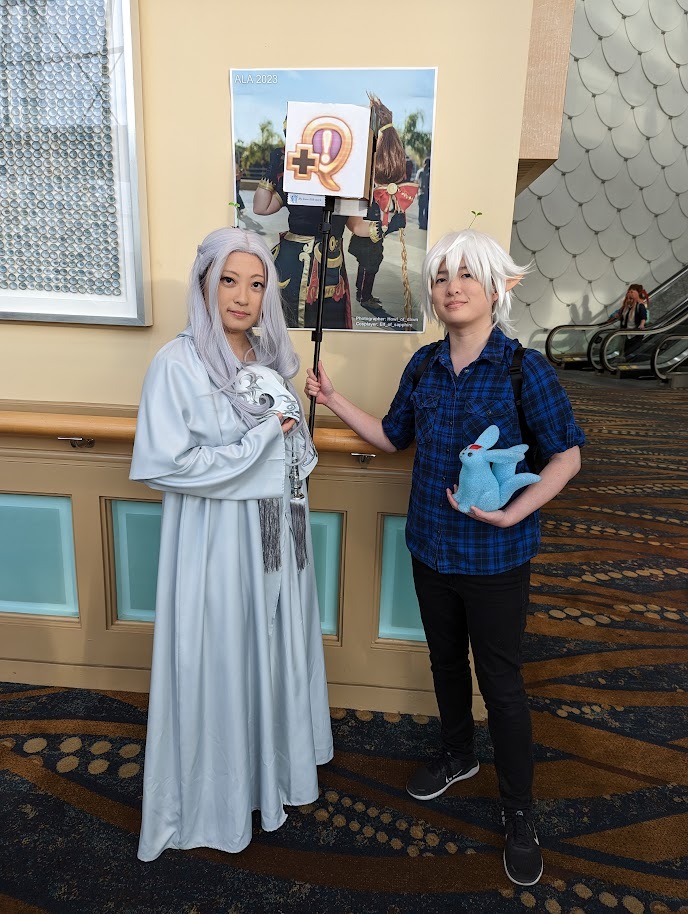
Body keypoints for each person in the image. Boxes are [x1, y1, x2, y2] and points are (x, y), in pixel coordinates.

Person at [305, 228, 585, 887]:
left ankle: (520, 813)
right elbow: (391, 437)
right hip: (431, 547)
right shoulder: (425, 366)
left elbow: (567, 455)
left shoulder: (523, 368)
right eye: (440, 277)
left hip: (497, 559)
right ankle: (458, 753)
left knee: (503, 685)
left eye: (465, 275)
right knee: (445, 661)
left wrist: (515, 512)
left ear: (494, 288)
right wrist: (332, 398)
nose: (452, 287)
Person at [131, 227, 333, 861]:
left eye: (257, 284)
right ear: (204, 284)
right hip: (215, 541)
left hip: (276, 533)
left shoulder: (269, 363)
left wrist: (290, 440)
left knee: (270, 643)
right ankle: (216, 796)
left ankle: (270, 774)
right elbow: (169, 463)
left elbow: (293, 456)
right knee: (221, 653)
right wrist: (263, 441)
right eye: (229, 280)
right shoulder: (177, 363)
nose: (243, 297)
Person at [253, 147, 371, 330]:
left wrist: (384, 225)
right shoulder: (298, 177)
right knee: (288, 323)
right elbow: (261, 207)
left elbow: (357, 226)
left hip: (329, 267)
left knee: (327, 324)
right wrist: (271, 170)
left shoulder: (346, 182)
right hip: (292, 264)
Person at [347, 94, 418, 318]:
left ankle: (363, 292)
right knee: (370, 259)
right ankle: (363, 295)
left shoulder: (380, 156)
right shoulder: (366, 157)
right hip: (368, 217)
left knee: (372, 258)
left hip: (376, 214)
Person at [417, 157, 431, 231]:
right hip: (424, 193)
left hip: (424, 193)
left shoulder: (426, 172)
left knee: (424, 209)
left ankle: (423, 223)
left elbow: (417, 182)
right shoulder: (422, 172)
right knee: (423, 209)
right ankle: (422, 223)